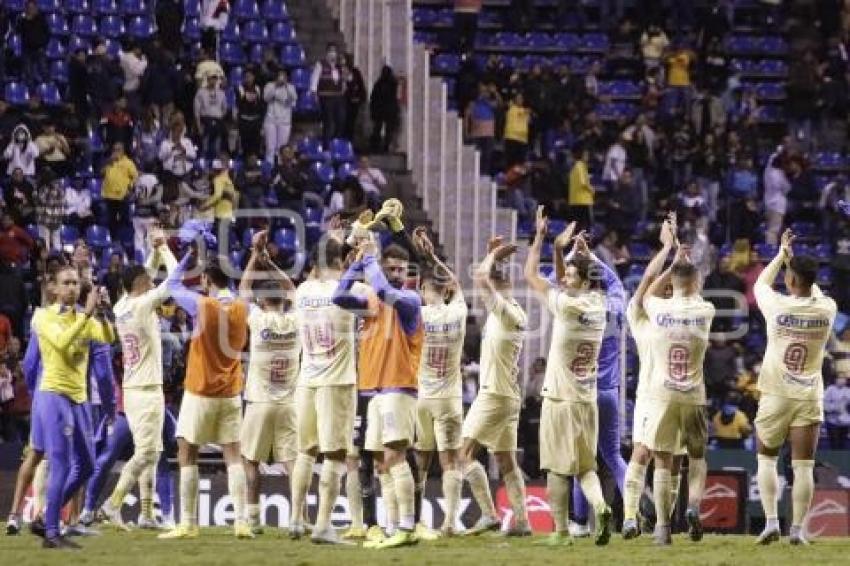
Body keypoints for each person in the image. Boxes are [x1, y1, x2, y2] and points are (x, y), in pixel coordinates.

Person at [525, 211, 612, 546]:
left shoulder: (566, 307)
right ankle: (601, 508)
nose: (564, 279)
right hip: (586, 400)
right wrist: (568, 255)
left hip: (561, 399)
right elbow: (573, 280)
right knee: (585, 467)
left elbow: (532, 274)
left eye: (572, 276)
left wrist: (540, 238)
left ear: (584, 282)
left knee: (557, 470)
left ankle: (560, 533)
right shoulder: (599, 303)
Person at [333, 238, 424, 549]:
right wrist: (357, 266)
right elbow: (338, 296)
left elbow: (386, 291)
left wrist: (370, 258)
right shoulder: (371, 301)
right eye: (391, 268)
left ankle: (407, 527)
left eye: (401, 269)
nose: (397, 273)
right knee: (382, 463)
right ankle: (390, 527)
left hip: (398, 386)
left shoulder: (409, 300)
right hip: (372, 388)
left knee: (396, 457)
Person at [88, 230, 179, 530]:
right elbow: (175, 279)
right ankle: (113, 505)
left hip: (132, 388)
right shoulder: (141, 305)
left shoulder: (122, 305)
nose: (151, 280)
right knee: (148, 453)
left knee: (149, 452)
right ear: (139, 285)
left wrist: (152, 252)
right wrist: (164, 247)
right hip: (148, 389)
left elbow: (145, 273)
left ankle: (147, 514)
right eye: (147, 280)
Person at [158, 252, 252, 540]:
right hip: (231, 392)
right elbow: (245, 287)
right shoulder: (241, 306)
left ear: (207, 279)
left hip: (200, 392)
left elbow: (172, 286)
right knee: (233, 455)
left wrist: (187, 256)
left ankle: (188, 523)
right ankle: (241, 522)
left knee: (188, 452)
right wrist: (253, 259)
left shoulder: (202, 305)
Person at [753, 229, 837, 545]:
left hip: (775, 393)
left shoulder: (777, 305)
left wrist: (780, 256)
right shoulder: (826, 308)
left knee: (766, 459)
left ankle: (771, 522)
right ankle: (797, 530)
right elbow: (810, 287)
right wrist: (796, 267)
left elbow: (760, 283)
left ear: (790, 281)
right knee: (803, 466)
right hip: (808, 394)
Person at [31, 265, 116, 549]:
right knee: (62, 464)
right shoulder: (42, 317)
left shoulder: (83, 316)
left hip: (79, 398)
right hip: (54, 395)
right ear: (53, 289)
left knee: (88, 464)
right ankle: (52, 534)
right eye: (66, 283)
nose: (72, 288)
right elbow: (62, 344)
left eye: (76, 284)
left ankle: (46, 518)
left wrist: (102, 313)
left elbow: (108, 338)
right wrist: (89, 315)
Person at [642, 244, 715, 546]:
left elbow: (647, 293)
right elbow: (693, 291)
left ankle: (662, 528)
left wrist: (671, 267)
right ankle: (694, 506)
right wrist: (684, 272)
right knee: (696, 459)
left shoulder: (658, 308)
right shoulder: (705, 310)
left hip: (662, 394)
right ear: (696, 283)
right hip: (693, 396)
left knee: (663, 461)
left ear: (672, 283)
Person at [286, 237, 358, 543]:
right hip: (336, 381)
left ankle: (295, 520)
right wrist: (358, 257)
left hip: (307, 379)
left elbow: (315, 275)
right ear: (341, 263)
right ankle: (323, 525)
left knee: (305, 451)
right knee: (336, 454)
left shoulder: (303, 292)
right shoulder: (344, 293)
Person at [460, 236, 529, 537]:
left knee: (462, 454)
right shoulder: (501, 312)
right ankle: (524, 523)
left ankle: (489, 514)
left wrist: (493, 258)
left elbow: (480, 277)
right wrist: (493, 255)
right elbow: (487, 278)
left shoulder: (510, 313)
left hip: (496, 394)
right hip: (506, 395)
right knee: (505, 459)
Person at [238, 232, 300, 534]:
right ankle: (297, 519)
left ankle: (252, 517)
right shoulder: (296, 321)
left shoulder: (259, 320)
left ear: (264, 301)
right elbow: (293, 290)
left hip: (260, 401)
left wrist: (255, 254)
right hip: (288, 403)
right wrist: (271, 263)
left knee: (249, 459)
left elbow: (243, 290)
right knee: (292, 462)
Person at [621, 214, 677, 539]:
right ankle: (630, 517)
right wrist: (668, 250)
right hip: (647, 396)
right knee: (641, 453)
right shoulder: (641, 316)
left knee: (668, 462)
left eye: (671, 288)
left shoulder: (680, 313)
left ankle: (662, 524)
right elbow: (646, 283)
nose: (665, 291)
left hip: (675, 394)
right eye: (664, 288)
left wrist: (676, 254)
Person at [412, 230, 467, 537]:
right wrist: (432, 256)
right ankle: (449, 523)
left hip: (422, 395)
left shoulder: (417, 315)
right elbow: (457, 283)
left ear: (422, 289)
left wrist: (426, 257)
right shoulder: (458, 312)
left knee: (420, 461)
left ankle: (417, 520)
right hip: (449, 396)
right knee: (450, 462)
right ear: (445, 291)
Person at [310, 44, 346, 146]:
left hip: (338, 96)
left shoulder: (339, 67)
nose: (333, 53)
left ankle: (337, 142)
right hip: (326, 97)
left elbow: (344, 81)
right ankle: (327, 145)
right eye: (331, 51)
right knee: (328, 122)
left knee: (341, 120)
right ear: (327, 52)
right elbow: (314, 80)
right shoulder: (321, 64)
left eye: (334, 51)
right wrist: (314, 93)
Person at [101, 142, 139, 240]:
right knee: (111, 220)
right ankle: (113, 239)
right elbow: (101, 173)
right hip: (109, 195)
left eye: (118, 150)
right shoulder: (109, 162)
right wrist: (108, 162)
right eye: (114, 149)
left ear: (123, 151)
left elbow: (135, 177)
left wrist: (129, 187)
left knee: (124, 219)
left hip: (122, 196)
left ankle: (125, 240)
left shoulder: (128, 163)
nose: (116, 152)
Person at [263, 70, 298, 164]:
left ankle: (280, 167)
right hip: (271, 120)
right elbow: (266, 98)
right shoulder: (270, 85)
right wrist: (276, 86)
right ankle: (269, 168)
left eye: (284, 76)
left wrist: (286, 86)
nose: (282, 78)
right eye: (280, 76)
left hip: (285, 121)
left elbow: (294, 98)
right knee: (270, 147)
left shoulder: (291, 87)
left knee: (281, 148)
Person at [194, 75, 228, 160]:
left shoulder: (221, 93)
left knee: (217, 144)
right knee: (205, 144)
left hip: (218, 120)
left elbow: (225, 109)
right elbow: (197, 110)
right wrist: (198, 126)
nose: (213, 81)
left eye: (215, 79)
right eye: (211, 79)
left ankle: (216, 162)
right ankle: (204, 162)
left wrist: (219, 117)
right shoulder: (201, 92)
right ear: (208, 79)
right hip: (205, 119)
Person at [17, 1, 49, 89]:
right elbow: (18, 31)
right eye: (29, 8)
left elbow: (47, 33)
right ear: (26, 9)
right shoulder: (23, 20)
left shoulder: (41, 19)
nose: (31, 10)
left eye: (33, 8)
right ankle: (31, 94)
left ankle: (47, 92)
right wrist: (24, 20)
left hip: (39, 49)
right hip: (27, 50)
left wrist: (43, 44)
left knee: (44, 72)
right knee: (28, 74)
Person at [235, 70, 265, 161]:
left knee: (256, 146)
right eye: (247, 77)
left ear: (254, 78)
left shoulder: (258, 89)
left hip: (255, 122)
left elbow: (260, 105)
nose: (249, 79)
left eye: (250, 76)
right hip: (244, 122)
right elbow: (239, 105)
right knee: (245, 147)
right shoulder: (239, 88)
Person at [369, 66, 400, 154]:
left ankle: (383, 146)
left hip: (387, 110)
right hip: (382, 110)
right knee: (379, 129)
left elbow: (373, 98)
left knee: (385, 129)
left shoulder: (389, 84)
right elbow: (373, 98)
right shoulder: (380, 84)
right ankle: (377, 146)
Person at [568, 145, 594, 229]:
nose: (587, 156)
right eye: (586, 154)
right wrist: (592, 189)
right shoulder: (580, 165)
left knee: (578, 225)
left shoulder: (575, 166)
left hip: (575, 200)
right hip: (583, 200)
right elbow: (583, 183)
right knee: (585, 225)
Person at [503, 93, 531, 168]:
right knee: (511, 162)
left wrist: (527, 113)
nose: (520, 100)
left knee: (520, 163)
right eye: (518, 98)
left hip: (522, 140)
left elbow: (529, 121)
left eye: (521, 98)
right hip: (511, 138)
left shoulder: (525, 110)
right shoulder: (511, 107)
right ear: (514, 99)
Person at [824, 375, 850, 449]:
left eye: (843, 379)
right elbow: (824, 404)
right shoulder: (830, 390)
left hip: (845, 422)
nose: (842, 380)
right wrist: (834, 408)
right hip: (832, 421)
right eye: (840, 379)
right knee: (834, 443)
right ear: (836, 380)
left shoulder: (848, 391)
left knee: (843, 443)